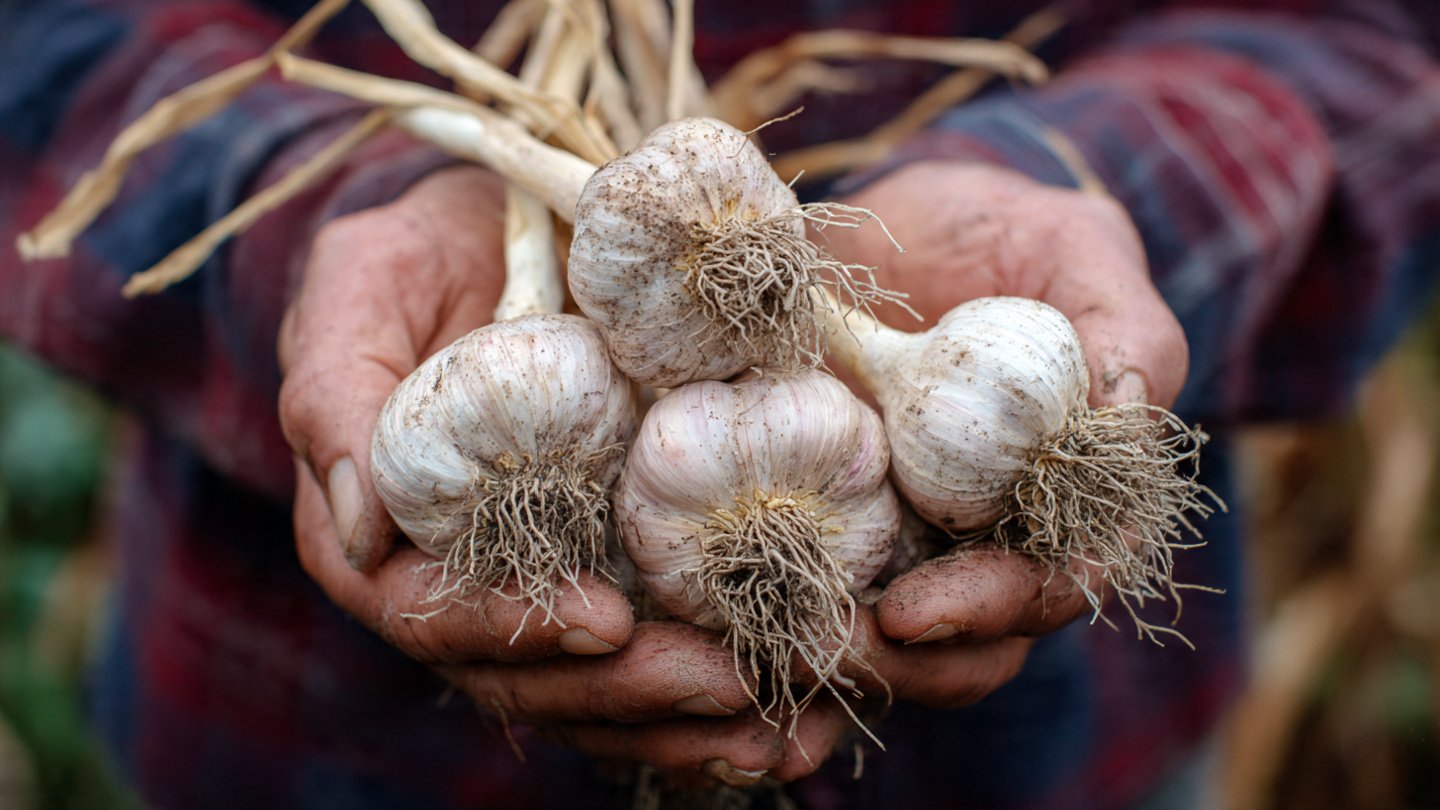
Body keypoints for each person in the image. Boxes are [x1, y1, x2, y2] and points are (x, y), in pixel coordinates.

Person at [2, 0, 1437, 807]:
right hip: (310, 749)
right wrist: (312, 232)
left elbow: (1370, 38)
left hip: (1065, 756)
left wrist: (1095, 187)